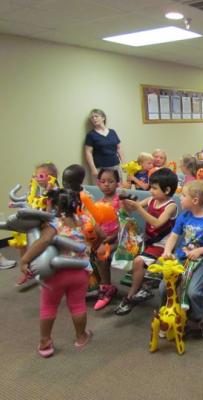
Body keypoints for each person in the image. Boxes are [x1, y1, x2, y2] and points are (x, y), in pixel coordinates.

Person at [18, 188, 95, 357]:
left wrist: (25, 260)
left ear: (52, 205)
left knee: (49, 306)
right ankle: (81, 336)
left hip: (56, 273)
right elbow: (100, 234)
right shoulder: (85, 219)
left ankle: (45, 342)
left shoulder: (54, 223)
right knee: (78, 304)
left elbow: (44, 241)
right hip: (80, 272)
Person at [161, 180, 203, 338]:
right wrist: (167, 251)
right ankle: (168, 317)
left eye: (183, 195)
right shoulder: (184, 216)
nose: (180, 198)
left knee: (193, 292)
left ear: (195, 200)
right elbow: (174, 236)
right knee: (164, 287)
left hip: (201, 261)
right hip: (181, 258)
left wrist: (200, 251)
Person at [115, 168, 178, 315]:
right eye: (151, 187)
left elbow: (157, 223)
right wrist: (125, 202)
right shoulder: (151, 200)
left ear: (167, 190)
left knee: (138, 261)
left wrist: (138, 208)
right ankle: (145, 286)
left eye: (154, 188)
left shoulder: (171, 206)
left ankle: (131, 296)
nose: (151, 191)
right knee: (127, 252)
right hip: (148, 242)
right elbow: (131, 210)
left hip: (162, 245)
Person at [92, 168, 120, 311]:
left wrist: (106, 240)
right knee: (85, 249)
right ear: (98, 184)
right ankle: (96, 284)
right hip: (103, 238)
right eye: (103, 181)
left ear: (117, 183)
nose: (106, 184)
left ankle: (107, 288)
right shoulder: (98, 203)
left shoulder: (120, 202)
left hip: (119, 239)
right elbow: (96, 224)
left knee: (101, 253)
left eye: (110, 181)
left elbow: (123, 225)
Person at [84, 109, 125, 183]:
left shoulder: (112, 132)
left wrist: (124, 163)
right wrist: (93, 168)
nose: (94, 119)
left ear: (103, 118)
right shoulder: (91, 135)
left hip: (115, 166)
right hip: (100, 168)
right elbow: (88, 152)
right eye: (92, 117)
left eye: (96, 116)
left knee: (119, 187)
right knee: (102, 189)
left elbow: (119, 148)